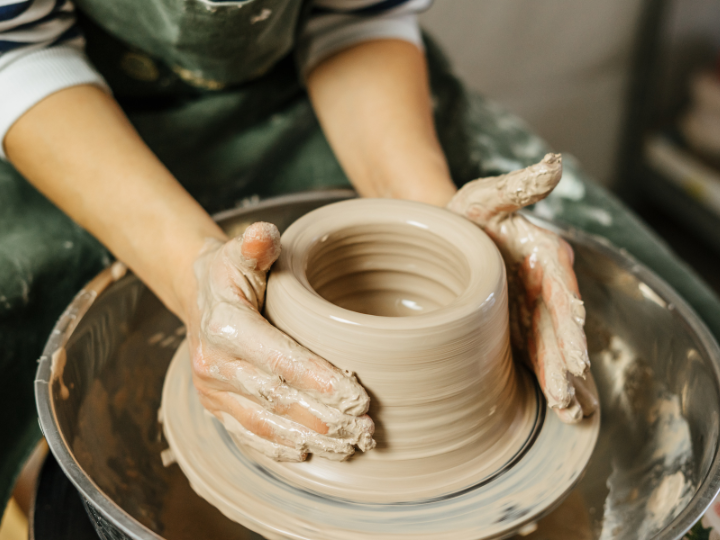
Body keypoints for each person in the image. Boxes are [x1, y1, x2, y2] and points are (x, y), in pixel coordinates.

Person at [1, 0, 595, 465]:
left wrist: (437, 220)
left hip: (301, 88)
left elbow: (356, 16)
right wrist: (192, 269)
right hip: (54, 112)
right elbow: (18, 45)